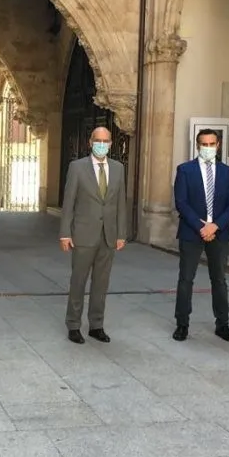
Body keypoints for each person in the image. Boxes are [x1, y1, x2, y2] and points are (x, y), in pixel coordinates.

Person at [59, 127, 128, 344]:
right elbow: (68, 202)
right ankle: (73, 325)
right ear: (90, 142)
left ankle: (96, 324)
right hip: (83, 234)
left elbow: (120, 203)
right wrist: (65, 233)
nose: (101, 144)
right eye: (97, 140)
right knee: (78, 281)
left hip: (108, 235)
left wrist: (121, 233)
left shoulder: (118, 168)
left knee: (101, 282)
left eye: (105, 141)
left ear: (110, 144)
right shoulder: (77, 167)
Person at [172, 129, 229, 342]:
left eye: (211, 144)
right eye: (204, 144)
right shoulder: (185, 170)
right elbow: (181, 202)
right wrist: (201, 226)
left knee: (219, 279)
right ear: (198, 146)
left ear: (218, 145)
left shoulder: (227, 172)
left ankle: (223, 324)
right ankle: (182, 324)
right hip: (192, 232)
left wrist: (215, 226)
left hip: (219, 233)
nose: (208, 147)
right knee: (186, 279)